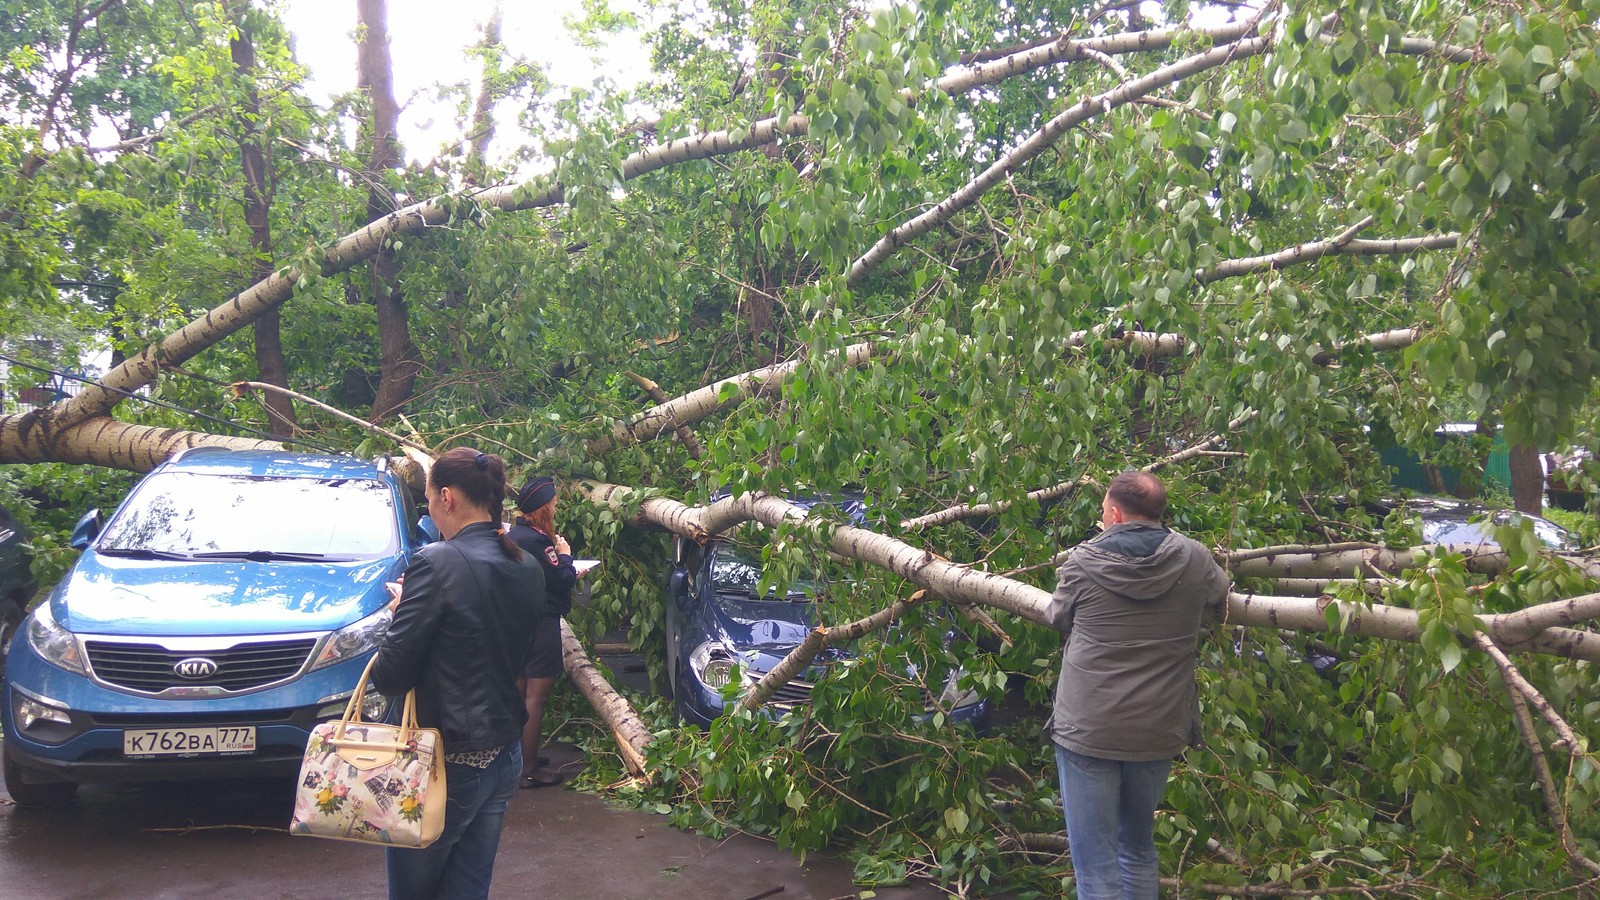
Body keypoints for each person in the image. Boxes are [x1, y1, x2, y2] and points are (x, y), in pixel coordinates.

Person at [1045, 471, 1230, 900]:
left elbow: (1058, 617)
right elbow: (1220, 594)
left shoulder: (1083, 562)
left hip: (1089, 731)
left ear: (1113, 513)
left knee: (1095, 868)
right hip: (1157, 730)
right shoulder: (1194, 558)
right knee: (1137, 849)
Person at [371, 448, 546, 900]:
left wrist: (400, 613)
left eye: (428, 499)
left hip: (443, 760)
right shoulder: (528, 566)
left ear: (446, 497)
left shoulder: (435, 563)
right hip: (502, 751)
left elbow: (389, 675)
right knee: (469, 889)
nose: (429, 508)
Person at [507, 475, 579, 789]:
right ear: (542, 509)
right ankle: (530, 769)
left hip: (520, 622)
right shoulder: (538, 541)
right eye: (553, 504)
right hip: (542, 621)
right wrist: (565, 554)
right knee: (537, 695)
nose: (556, 507)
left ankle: (519, 757)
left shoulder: (514, 534)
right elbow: (561, 578)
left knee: (521, 691)